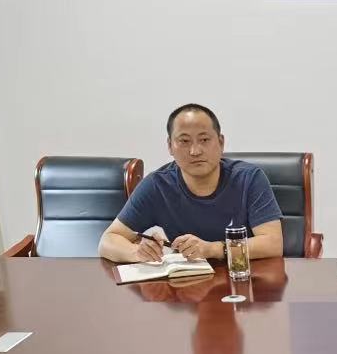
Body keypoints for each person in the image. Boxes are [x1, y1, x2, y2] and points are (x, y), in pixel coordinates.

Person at [99, 103, 285, 265]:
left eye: (204, 140)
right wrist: (137, 252)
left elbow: (273, 243)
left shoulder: (249, 179)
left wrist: (212, 249)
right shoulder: (157, 185)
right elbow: (108, 241)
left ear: (221, 142)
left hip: (243, 278)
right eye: (184, 141)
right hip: (186, 286)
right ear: (170, 146)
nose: (195, 151)